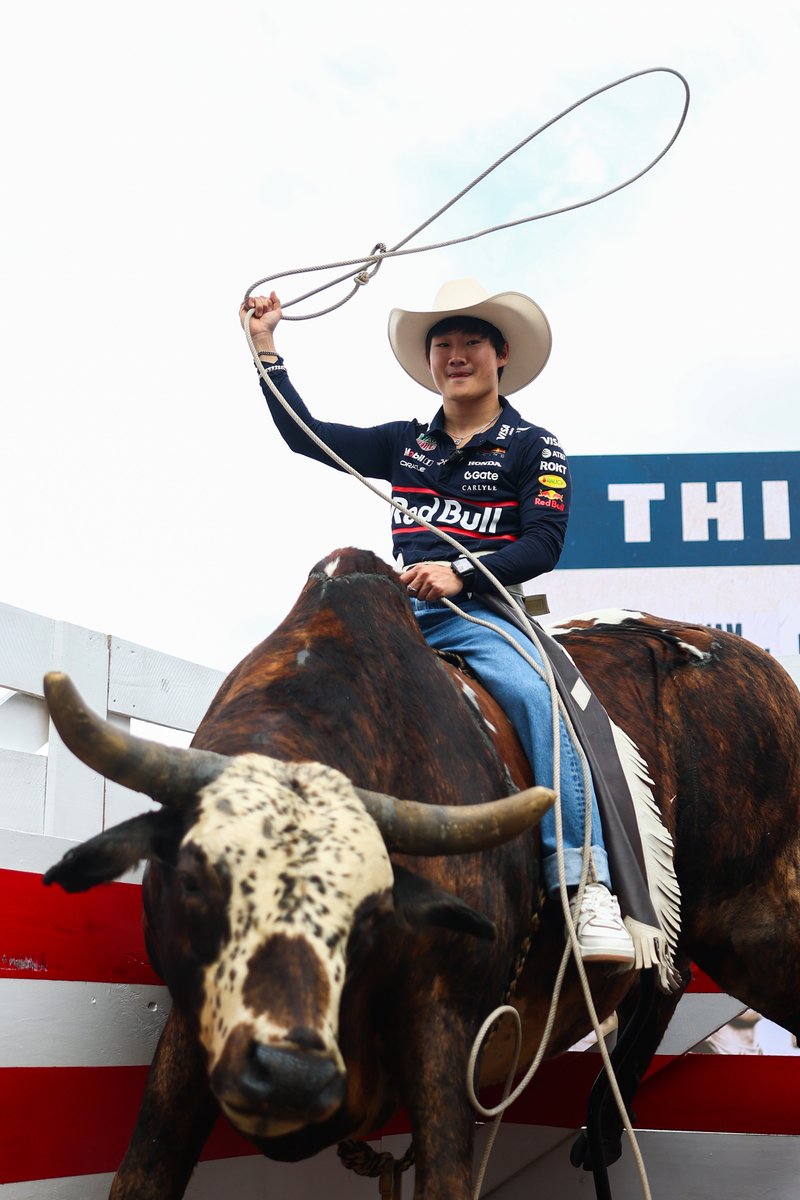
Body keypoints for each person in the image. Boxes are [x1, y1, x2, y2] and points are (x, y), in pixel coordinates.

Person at [240, 278, 635, 964]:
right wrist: (265, 347)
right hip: (397, 613)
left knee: (540, 699)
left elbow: (544, 544)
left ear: (500, 354)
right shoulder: (404, 442)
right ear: (429, 362)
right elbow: (307, 436)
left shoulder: (534, 446)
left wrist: (462, 571)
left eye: (471, 342)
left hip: (481, 612)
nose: (456, 355)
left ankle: (584, 883)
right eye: (442, 344)